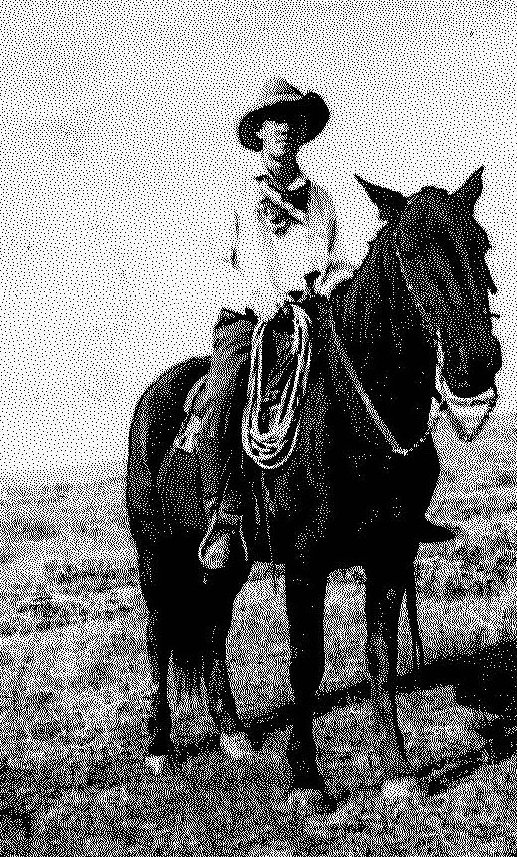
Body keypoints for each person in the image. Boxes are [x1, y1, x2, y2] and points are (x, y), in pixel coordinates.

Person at [196, 79, 354, 571]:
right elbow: (224, 264)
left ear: (302, 135)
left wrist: (320, 287)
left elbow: (337, 261)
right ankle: (225, 510)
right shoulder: (240, 196)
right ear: (260, 134)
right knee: (229, 385)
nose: (284, 133)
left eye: (293, 124)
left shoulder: (322, 199)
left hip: (309, 318)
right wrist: (269, 297)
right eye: (274, 123)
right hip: (252, 320)